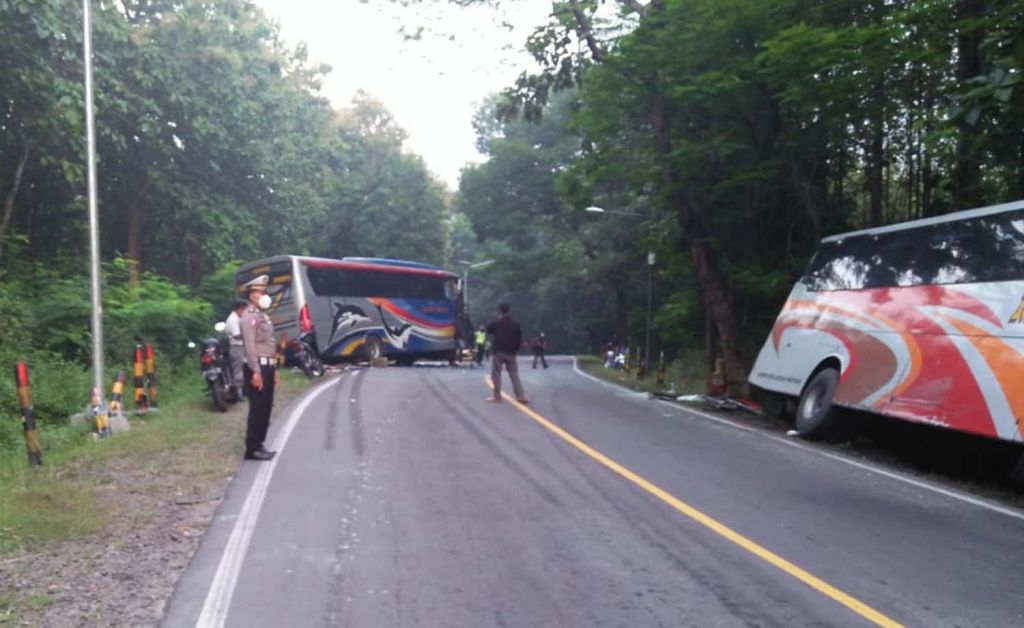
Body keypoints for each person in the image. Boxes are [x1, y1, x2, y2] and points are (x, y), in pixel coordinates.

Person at [239, 275, 279, 461]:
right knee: (258, 408)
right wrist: (256, 371)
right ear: (250, 296)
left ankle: (260, 444)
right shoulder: (249, 317)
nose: (262, 295)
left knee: (266, 407)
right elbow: (250, 347)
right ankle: (252, 448)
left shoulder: (263, 315)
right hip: (258, 367)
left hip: (268, 366)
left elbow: (270, 343)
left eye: (263, 291)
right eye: (258, 292)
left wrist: (274, 368)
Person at [484, 302, 527, 403]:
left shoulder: (496, 323)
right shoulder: (516, 325)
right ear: (510, 311)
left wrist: (497, 319)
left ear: (500, 311)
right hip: (511, 353)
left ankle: (497, 396)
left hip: (499, 352)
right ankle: (520, 396)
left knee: (496, 374)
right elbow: (519, 340)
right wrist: (515, 350)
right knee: (514, 375)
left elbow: (488, 329)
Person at [224, 300, 247, 396]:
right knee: (238, 370)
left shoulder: (238, 318)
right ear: (239, 309)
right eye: (245, 310)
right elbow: (236, 335)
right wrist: (249, 334)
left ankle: (244, 390)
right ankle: (238, 392)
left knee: (245, 368)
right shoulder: (232, 319)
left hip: (242, 346)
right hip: (236, 347)